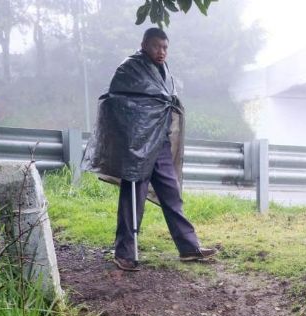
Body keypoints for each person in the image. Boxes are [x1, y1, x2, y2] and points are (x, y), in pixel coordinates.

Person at [83, 27, 216, 271]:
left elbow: (164, 100)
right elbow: (116, 101)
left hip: (160, 144)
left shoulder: (164, 71)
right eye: (157, 46)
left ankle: (189, 248)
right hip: (139, 146)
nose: (162, 52)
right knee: (132, 199)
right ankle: (124, 253)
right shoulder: (130, 68)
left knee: (172, 195)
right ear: (144, 44)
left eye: (165, 47)